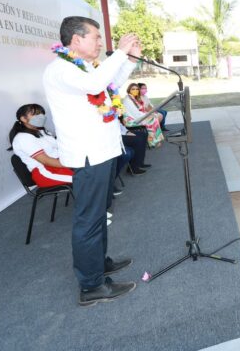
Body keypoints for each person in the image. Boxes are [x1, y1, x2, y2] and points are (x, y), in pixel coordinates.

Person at [43, 17, 139, 306]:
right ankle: (91, 285)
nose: (100, 42)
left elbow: (110, 85)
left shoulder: (84, 68)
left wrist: (130, 59)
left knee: (99, 215)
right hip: (89, 155)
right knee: (89, 220)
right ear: (76, 40)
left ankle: (99, 263)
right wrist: (119, 52)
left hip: (103, 151)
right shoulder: (60, 70)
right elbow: (97, 82)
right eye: (96, 37)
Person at [9, 103, 74, 188]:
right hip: (46, 172)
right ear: (23, 118)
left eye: (42, 114)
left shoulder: (42, 132)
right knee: (86, 176)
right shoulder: (23, 138)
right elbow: (46, 161)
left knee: (92, 170)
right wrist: (72, 164)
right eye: (36, 114)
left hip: (58, 164)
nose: (41, 116)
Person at [122, 82, 165, 148]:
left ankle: (156, 139)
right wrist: (147, 115)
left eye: (137, 89)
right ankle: (153, 142)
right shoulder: (128, 100)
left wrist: (148, 114)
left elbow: (142, 109)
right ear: (129, 90)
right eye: (133, 89)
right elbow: (135, 113)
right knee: (152, 120)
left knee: (154, 117)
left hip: (137, 117)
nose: (135, 91)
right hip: (130, 120)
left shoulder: (134, 98)